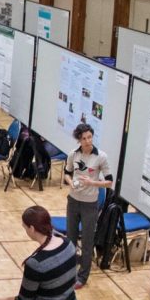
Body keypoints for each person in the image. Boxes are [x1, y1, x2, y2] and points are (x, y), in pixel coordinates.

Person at [62, 123, 113, 289]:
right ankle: (69, 271)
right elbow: (67, 173)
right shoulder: (73, 155)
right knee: (71, 237)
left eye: (89, 137)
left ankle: (83, 276)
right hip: (73, 200)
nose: (87, 141)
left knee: (87, 240)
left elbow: (109, 181)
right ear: (79, 140)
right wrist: (71, 183)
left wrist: (92, 182)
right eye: (84, 138)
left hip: (90, 204)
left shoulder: (101, 157)